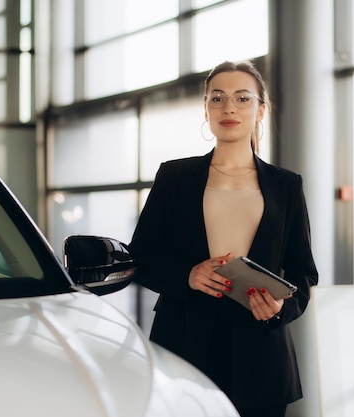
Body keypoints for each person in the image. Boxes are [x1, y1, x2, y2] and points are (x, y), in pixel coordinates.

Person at [128, 60, 319, 417]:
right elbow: (140, 258)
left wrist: (281, 308)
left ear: (261, 110)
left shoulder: (286, 185)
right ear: (205, 109)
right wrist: (188, 275)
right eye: (217, 98)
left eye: (242, 98)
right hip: (184, 344)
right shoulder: (174, 177)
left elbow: (303, 272)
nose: (228, 107)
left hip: (261, 354)